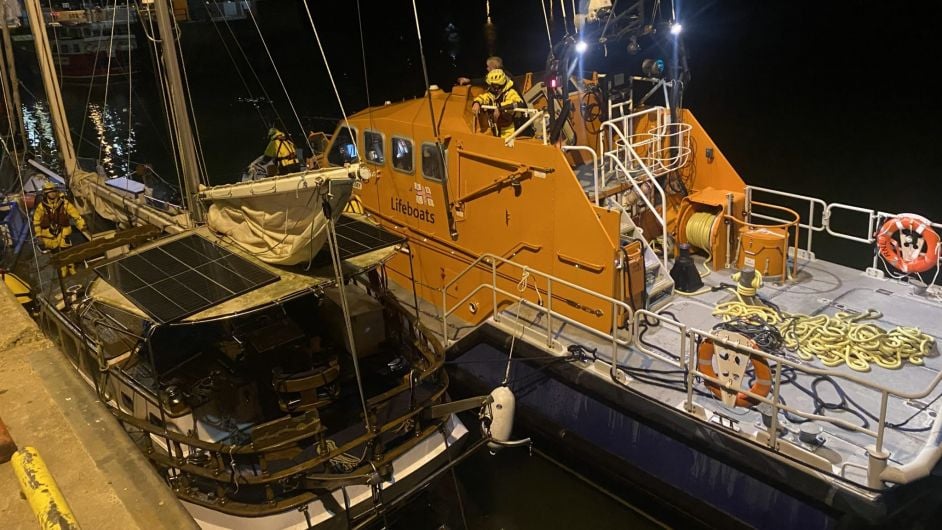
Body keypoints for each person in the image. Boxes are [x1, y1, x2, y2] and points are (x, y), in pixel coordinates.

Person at [32, 182, 87, 276]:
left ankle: (71, 267)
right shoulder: (41, 207)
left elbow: (76, 215)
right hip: (49, 234)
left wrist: (81, 225)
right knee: (56, 252)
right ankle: (63, 269)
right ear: (45, 194)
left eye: (54, 191)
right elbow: (36, 221)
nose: (52, 193)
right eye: (50, 192)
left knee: (67, 251)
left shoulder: (64, 203)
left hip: (63, 231)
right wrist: (38, 235)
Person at [471, 69, 524, 138]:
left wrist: (500, 107)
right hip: (496, 128)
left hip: (509, 129)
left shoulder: (511, 92)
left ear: (498, 86)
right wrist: (476, 103)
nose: (490, 87)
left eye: (493, 85)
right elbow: (484, 97)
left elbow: (519, 102)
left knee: (507, 147)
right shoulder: (492, 94)